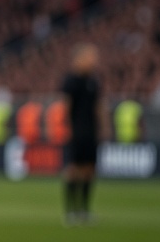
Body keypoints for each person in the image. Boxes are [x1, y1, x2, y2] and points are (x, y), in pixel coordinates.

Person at [61, 43, 101, 226]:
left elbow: (98, 107)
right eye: (90, 57)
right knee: (73, 170)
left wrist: (103, 128)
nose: (94, 61)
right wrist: (67, 129)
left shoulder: (94, 82)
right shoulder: (71, 81)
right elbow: (66, 106)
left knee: (89, 171)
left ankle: (84, 211)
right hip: (76, 132)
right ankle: (70, 211)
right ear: (79, 59)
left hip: (91, 131)